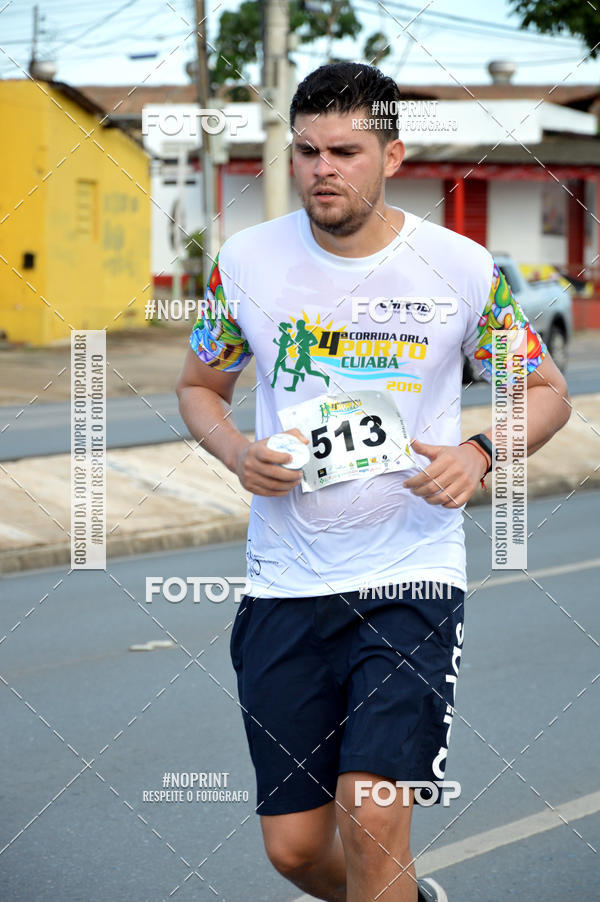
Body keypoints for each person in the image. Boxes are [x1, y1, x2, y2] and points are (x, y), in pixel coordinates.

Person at [176, 62, 571, 902]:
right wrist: (234, 452)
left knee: (373, 814)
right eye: (307, 150)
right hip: (284, 583)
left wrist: (480, 451)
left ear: (392, 156)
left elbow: (545, 395)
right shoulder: (245, 261)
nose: (322, 168)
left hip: (410, 576)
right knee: (294, 851)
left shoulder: (461, 270)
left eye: (345, 151)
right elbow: (198, 387)